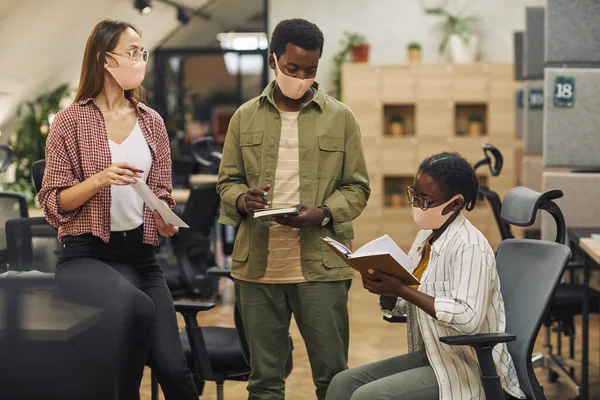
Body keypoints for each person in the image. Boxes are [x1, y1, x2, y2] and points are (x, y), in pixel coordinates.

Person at [38, 20, 198, 400]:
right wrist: (99, 179)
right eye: (132, 52)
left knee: (176, 370)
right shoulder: (70, 121)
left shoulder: (152, 122)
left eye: (142, 52)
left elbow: (161, 193)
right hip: (85, 257)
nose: (140, 59)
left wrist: (164, 218)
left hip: (142, 259)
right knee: (137, 308)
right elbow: (52, 203)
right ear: (104, 60)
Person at [217, 18, 370, 400]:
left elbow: (357, 187)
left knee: (334, 379)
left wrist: (322, 213)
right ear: (273, 61)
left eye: (310, 70)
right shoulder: (244, 117)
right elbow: (227, 182)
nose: (302, 77)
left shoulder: (341, 118)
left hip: (321, 267)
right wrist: (241, 198)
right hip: (259, 268)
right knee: (264, 383)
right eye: (292, 69)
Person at [326, 152, 525, 400]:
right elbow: (401, 306)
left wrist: (400, 289)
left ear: (454, 203)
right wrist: (386, 289)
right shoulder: (426, 237)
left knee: (367, 397)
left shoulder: (469, 246)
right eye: (415, 195)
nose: (417, 205)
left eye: (426, 200)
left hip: (468, 367)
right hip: (434, 355)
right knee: (342, 384)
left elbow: (468, 318)